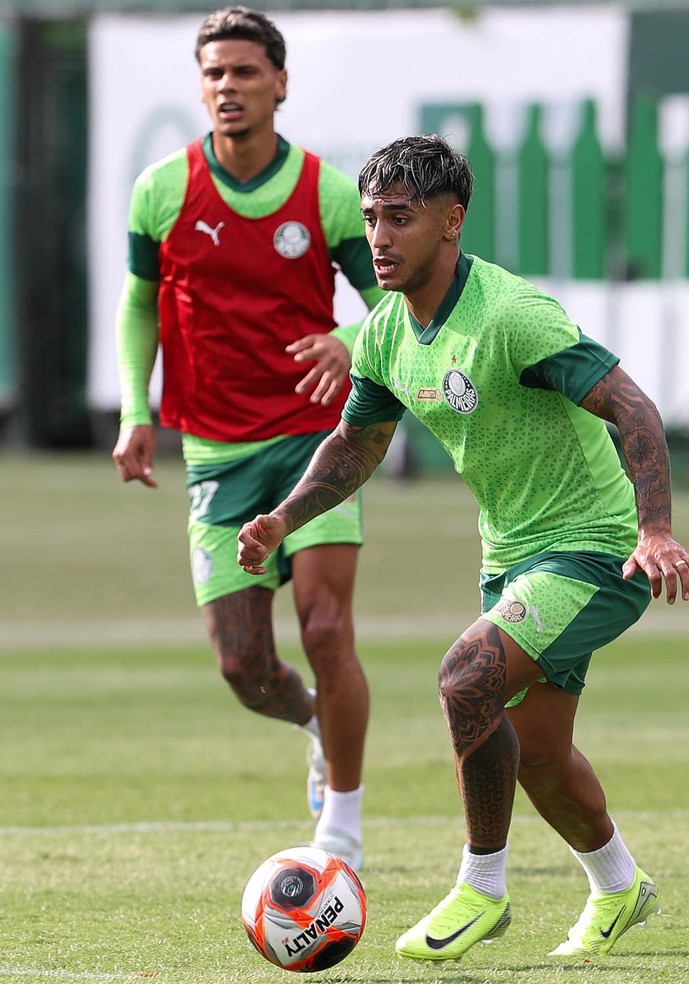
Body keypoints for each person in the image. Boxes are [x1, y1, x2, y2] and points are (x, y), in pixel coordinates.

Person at [236, 133, 689, 961]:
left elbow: (634, 409)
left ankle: (482, 887)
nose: (379, 237)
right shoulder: (383, 334)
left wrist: (655, 528)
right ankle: (621, 887)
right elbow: (356, 446)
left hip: (597, 549)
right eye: (372, 218)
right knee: (540, 755)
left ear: (451, 222)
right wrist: (284, 517)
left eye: (400, 219)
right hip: (510, 557)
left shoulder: (512, 316)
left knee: (465, 677)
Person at [111, 7, 385, 871]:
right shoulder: (163, 189)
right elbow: (135, 306)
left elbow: (398, 305)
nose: (227, 88)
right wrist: (134, 409)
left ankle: (341, 823)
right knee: (242, 667)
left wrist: (351, 343)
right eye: (214, 74)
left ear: (280, 83)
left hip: (314, 439)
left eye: (244, 72)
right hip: (219, 453)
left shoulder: (328, 195)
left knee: (328, 629)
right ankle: (310, 719)